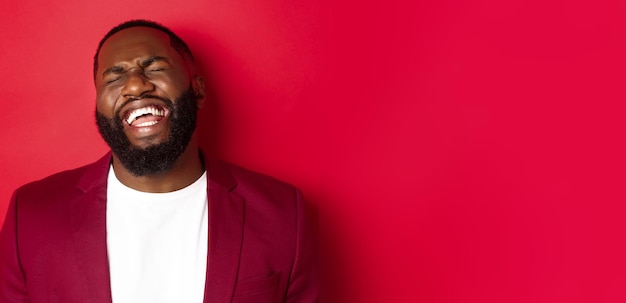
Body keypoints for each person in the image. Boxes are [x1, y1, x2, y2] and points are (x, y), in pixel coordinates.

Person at [0, 19, 318, 303]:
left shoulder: (282, 214)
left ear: (198, 90)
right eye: (114, 77)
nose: (136, 85)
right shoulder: (30, 216)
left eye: (154, 67)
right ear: (98, 105)